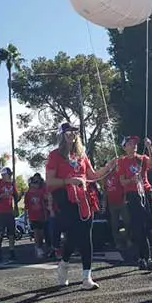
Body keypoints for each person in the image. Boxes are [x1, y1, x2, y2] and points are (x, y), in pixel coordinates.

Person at [46, 122, 116, 290]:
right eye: (67, 131)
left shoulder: (82, 155)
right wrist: (69, 180)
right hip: (65, 199)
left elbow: (92, 175)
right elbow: (50, 181)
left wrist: (108, 167)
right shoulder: (55, 155)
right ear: (61, 135)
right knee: (73, 236)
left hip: (84, 198)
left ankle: (86, 277)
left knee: (86, 235)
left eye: (74, 131)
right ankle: (64, 263)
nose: (71, 134)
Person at [117, 136, 152, 271]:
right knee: (138, 226)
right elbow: (122, 181)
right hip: (133, 195)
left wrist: (149, 147)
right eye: (130, 143)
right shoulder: (122, 161)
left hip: (145, 192)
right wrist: (132, 179)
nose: (133, 145)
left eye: (134, 143)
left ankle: (146, 256)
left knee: (146, 225)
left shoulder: (142, 158)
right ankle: (143, 257)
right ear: (124, 147)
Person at [0, 166, 19, 262]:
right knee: (0, 232)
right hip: (0, 211)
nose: (10, 176)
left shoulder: (12, 184)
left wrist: (16, 207)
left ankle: (12, 251)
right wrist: (1, 196)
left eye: (10, 174)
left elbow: (16, 196)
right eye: (8, 174)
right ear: (3, 175)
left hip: (9, 211)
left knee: (11, 233)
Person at [103, 169, 128, 250]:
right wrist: (104, 204)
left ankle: (128, 239)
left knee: (127, 221)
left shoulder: (118, 174)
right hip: (112, 203)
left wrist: (124, 200)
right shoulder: (105, 177)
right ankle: (118, 242)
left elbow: (124, 188)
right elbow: (105, 191)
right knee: (114, 224)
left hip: (121, 202)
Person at [25, 173, 49, 258]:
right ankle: (38, 248)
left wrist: (45, 215)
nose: (36, 184)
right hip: (33, 216)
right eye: (34, 183)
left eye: (37, 183)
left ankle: (40, 247)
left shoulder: (40, 192)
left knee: (41, 234)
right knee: (36, 233)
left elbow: (44, 203)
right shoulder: (28, 194)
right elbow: (26, 206)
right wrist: (26, 218)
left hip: (41, 215)